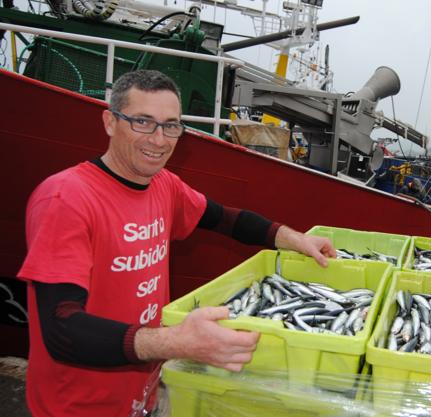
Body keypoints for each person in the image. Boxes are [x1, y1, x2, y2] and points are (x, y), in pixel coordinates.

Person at [17, 69, 336, 417]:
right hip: (76, 407)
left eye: (171, 125)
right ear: (109, 122)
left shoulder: (164, 185)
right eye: (142, 122)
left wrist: (293, 239)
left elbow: (224, 218)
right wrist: (178, 342)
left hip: (143, 397)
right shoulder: (67, 198)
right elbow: (61, 328)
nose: (159, 139)